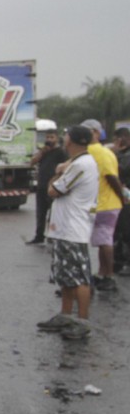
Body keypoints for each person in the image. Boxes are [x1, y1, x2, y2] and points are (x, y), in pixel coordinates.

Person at [37, 125, 99, 341]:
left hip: (74, 228)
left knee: (79, 277)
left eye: (66, 135)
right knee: (65, 275)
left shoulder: (81, 165)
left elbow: (54, 190)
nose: (63, 138)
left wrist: (55, 175)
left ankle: (82, 321)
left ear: (71, 140)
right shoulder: (78, 162)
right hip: (65, 228)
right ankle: (65, 315)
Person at [80, 119, 125, 292]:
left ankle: (108, 276)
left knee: (105, 241)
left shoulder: (96, 152)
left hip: (105, 204)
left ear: (96, 133)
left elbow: (111, 177)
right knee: (102, 240)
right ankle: (103, 273)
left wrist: (121, 197)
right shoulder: (101, 152)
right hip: (101, 203)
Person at [28, 129, 68, 245]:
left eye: (52, 137)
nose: (49, 140)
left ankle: (54, 236)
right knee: (40, 213)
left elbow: (65, 168)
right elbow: (32, 162)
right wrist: (42, 153)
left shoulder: (61, 152)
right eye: (48, 137)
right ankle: (39, 236)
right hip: (41, 186)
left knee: (54, 213)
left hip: (54, 187)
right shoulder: (43, 152)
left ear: (56, 139)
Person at [113, 127, 130, 273]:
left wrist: (116, 154)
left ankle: (125, 262)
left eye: (118, 138)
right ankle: (118, 261)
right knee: (120, 229)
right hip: (122, 195)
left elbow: (122, 170)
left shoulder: (125, 155)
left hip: (127, 195)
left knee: (125, 230)